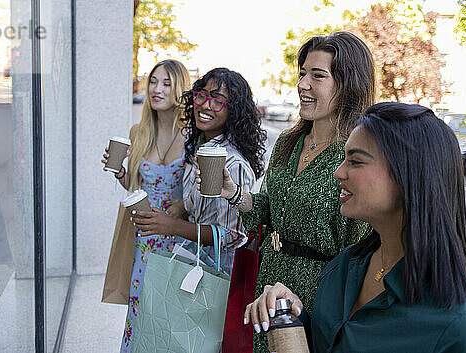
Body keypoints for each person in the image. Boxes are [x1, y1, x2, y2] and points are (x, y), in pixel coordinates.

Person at [245, 102, 466, 352]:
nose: (338, 172)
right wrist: (292, 315)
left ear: (408, 174)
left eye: (355, 161)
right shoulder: (345, 266)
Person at [199, 32, 375, 351]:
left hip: (317, 296)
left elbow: (361, 247)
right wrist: (233, 191)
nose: (303, 84)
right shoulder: (289, 142)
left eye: (317, 76)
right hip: (267, 286)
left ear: (348, 85)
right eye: (302, 73)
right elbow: (270, 210)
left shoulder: (356, 155)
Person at [133, 67, 267, 276]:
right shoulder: (199, 147)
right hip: (192, 263)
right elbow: (204, 205)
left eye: (217, 100)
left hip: (215, 277)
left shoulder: (231, 162)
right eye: (201, 96)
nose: (205, 105)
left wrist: (173, 226)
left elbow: (233, 235)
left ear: (234, 110)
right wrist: (183, 206)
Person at [101, 59, 191, 353]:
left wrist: (182, 206)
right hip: (146, 240)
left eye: (166, 83)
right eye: (153, 81)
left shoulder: (192, 136)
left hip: (182, 241)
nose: (157, 89)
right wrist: (119, 173)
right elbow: (134, 187)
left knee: (171, 317)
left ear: (180, 88)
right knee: (141, 314)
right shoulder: (137, 132)